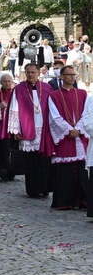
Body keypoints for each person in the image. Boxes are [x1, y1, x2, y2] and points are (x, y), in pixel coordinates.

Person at [7, 63, 54, 197]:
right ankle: (33, 189)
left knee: (45, 159)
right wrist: (16, 130)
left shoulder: (46, 87)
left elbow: (53, 109)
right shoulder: (19, 88)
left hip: (44, 129)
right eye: (27, 72)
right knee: (31, 161)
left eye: (33, 72)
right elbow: (14, 109)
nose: (30, 75)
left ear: (39, 73)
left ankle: (45, 188)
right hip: (27, 128)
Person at [47, 65, 88, 209]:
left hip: (80, 136)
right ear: (61, 77)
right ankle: (65, 201)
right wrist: (69, 130)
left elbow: (87, 114)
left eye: (74, 75)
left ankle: (83, 201)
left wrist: (79, 129)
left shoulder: (83, 94)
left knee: (83, 170)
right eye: (69, 75)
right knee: (65, 172)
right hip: (65, 137)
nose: (72, 77)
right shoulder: (54, 96)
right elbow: (54, 117)